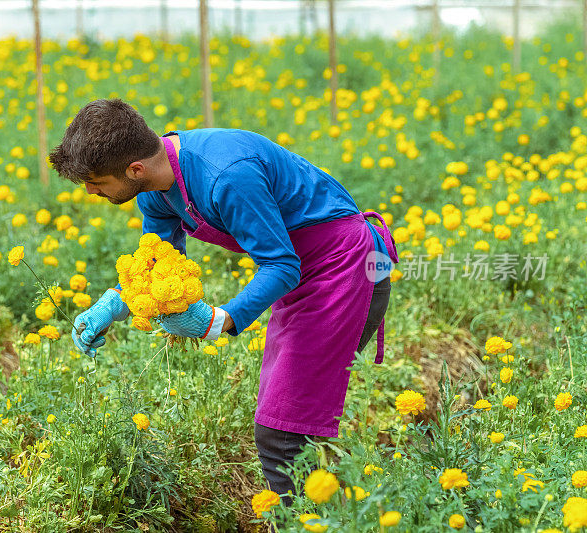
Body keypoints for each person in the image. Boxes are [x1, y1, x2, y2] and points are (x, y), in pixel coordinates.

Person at [48, 98, 398, 499]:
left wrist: (220, 320)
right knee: (291, 428)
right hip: (303, 271)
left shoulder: (226, 176)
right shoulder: (153, 191)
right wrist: (116, 302)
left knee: (283, 431)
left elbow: (281, 265)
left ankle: (307, 522)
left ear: (135, 169)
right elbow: (158, 264)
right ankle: (328, 512)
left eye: (96, 182)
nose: (91, 191)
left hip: (344, 268)